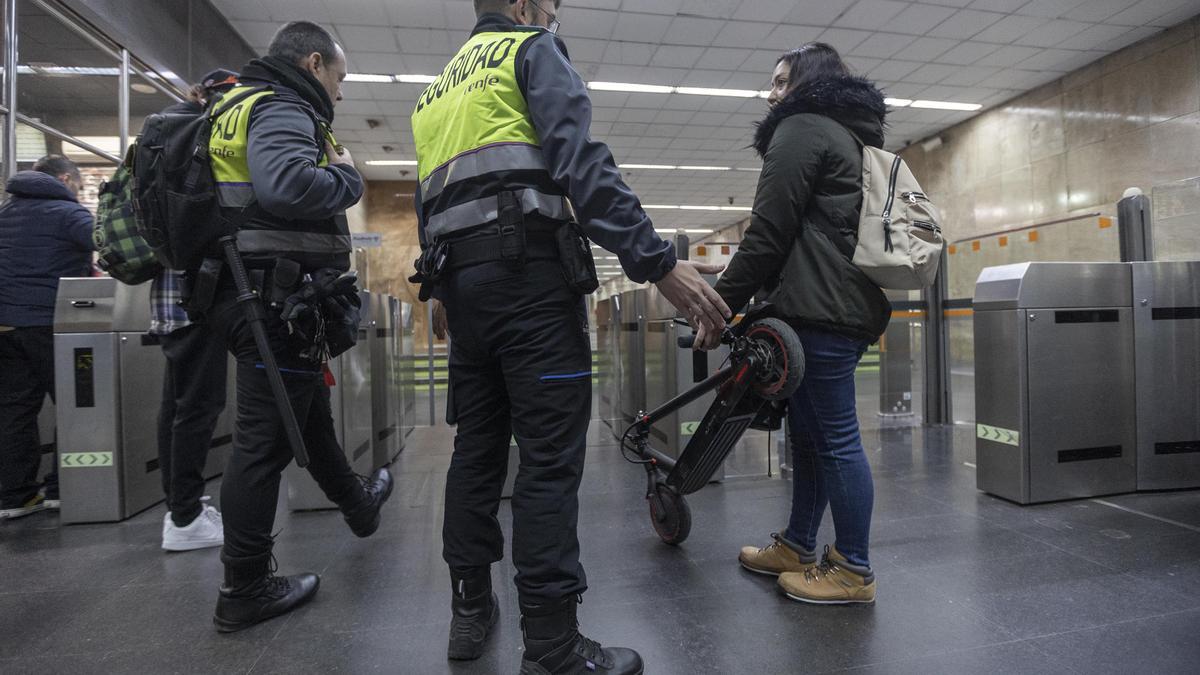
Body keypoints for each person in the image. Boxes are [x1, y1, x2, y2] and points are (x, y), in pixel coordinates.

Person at [410, 1, 730, 673]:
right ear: (526, 5)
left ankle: (469, 610)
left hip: (466, 296)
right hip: (530, 287)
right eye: (552, 6)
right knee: (549, 460)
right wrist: (658, 264)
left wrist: (442, 295)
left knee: (476, 452)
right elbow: (582, 166)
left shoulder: (434, 94)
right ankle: (552, 643)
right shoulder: (530, 51)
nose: (555, 17)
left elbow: (430, 205)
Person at [204, 21, 393, 632]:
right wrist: (349, 177)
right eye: (338, 79)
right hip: (271, 301)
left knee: (304, 414)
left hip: (251, 294)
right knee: (263, 444)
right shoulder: (282, 107)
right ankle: (245, 586)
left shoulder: (233, 105)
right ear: (314, 64)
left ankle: (359, 505)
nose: (339, 95)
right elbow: (284, 185)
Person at [706, 43, 890, 605]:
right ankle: (798, 544)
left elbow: (767, 234)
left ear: (807, 84)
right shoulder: (850, 137)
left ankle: (853, 570)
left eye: (781, 82)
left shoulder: (803, 128)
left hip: (819, 309)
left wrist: (716, 305)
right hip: (839, 306)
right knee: (810, 438)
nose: (771, 93)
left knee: (833, 439)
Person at [151, 68, 240, 552]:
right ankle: (183, 519)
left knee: (176, 406)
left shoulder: (165, 129)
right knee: (199, 408)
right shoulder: (200, 138)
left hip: (167, 293)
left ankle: (179, 508)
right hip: (199, 294)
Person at [0, 155, 93, 520]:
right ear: (67, 178)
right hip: (51, 322)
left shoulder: (5, 213)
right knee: (74, 404)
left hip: (6, 325)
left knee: (14, 411)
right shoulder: (68, 213)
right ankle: (60, 487)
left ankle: (14, 496)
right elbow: (109, 245)